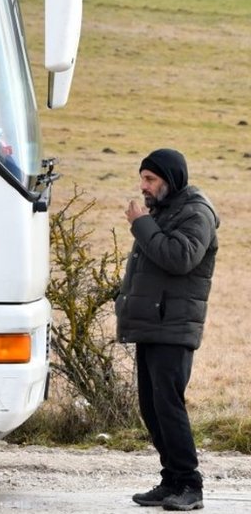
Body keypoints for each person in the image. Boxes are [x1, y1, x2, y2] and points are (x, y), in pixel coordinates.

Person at [116, 148, 218, 512]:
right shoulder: (164, 210)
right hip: (153, 324)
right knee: (152, 407)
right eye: (142, 178)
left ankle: (190, 485)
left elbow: (180, 258)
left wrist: (141, 224)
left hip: (174, 326)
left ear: (170, 179)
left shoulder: (196, 213)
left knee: (169, 407)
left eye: (150, 179)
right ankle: (171, 480)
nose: (143, 186)